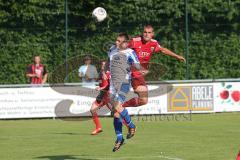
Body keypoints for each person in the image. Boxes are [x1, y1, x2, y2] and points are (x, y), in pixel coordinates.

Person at [123, 25, 186, 108]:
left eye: (149, 33)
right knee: (142, 98)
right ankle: (119, 107)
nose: (146, 34)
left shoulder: (154, 43)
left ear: (152, 34)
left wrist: (177, 56)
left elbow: (163, 50)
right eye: (145, 32)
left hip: (140, 74)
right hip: (133, 73)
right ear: (142, 33)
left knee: (143, 100)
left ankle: (120, 106)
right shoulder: (135, 41)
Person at [108, 33, 141, 152]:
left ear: (125, 43)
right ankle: (119, 138)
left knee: (117, 105)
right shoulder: (111, 49)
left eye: (119, 41)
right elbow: (109, 63)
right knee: (116, 113)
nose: (116, 42)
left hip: (124, 83)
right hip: (113, 84)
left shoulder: (130, 52)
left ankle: (131, 126)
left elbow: (138, 66)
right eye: (116, 40)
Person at [90, 60, 111, 135]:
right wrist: (100, 88)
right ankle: (98, 127)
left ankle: (129, 126)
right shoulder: (100, 74)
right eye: (102, 65)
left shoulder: (109, 74)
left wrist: (101, 88)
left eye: (104, 65)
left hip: (109, 97)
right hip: (102, 96)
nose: (103, 66)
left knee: (117, 114)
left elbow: (108, 86)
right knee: (92, 110)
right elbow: (101, 85)